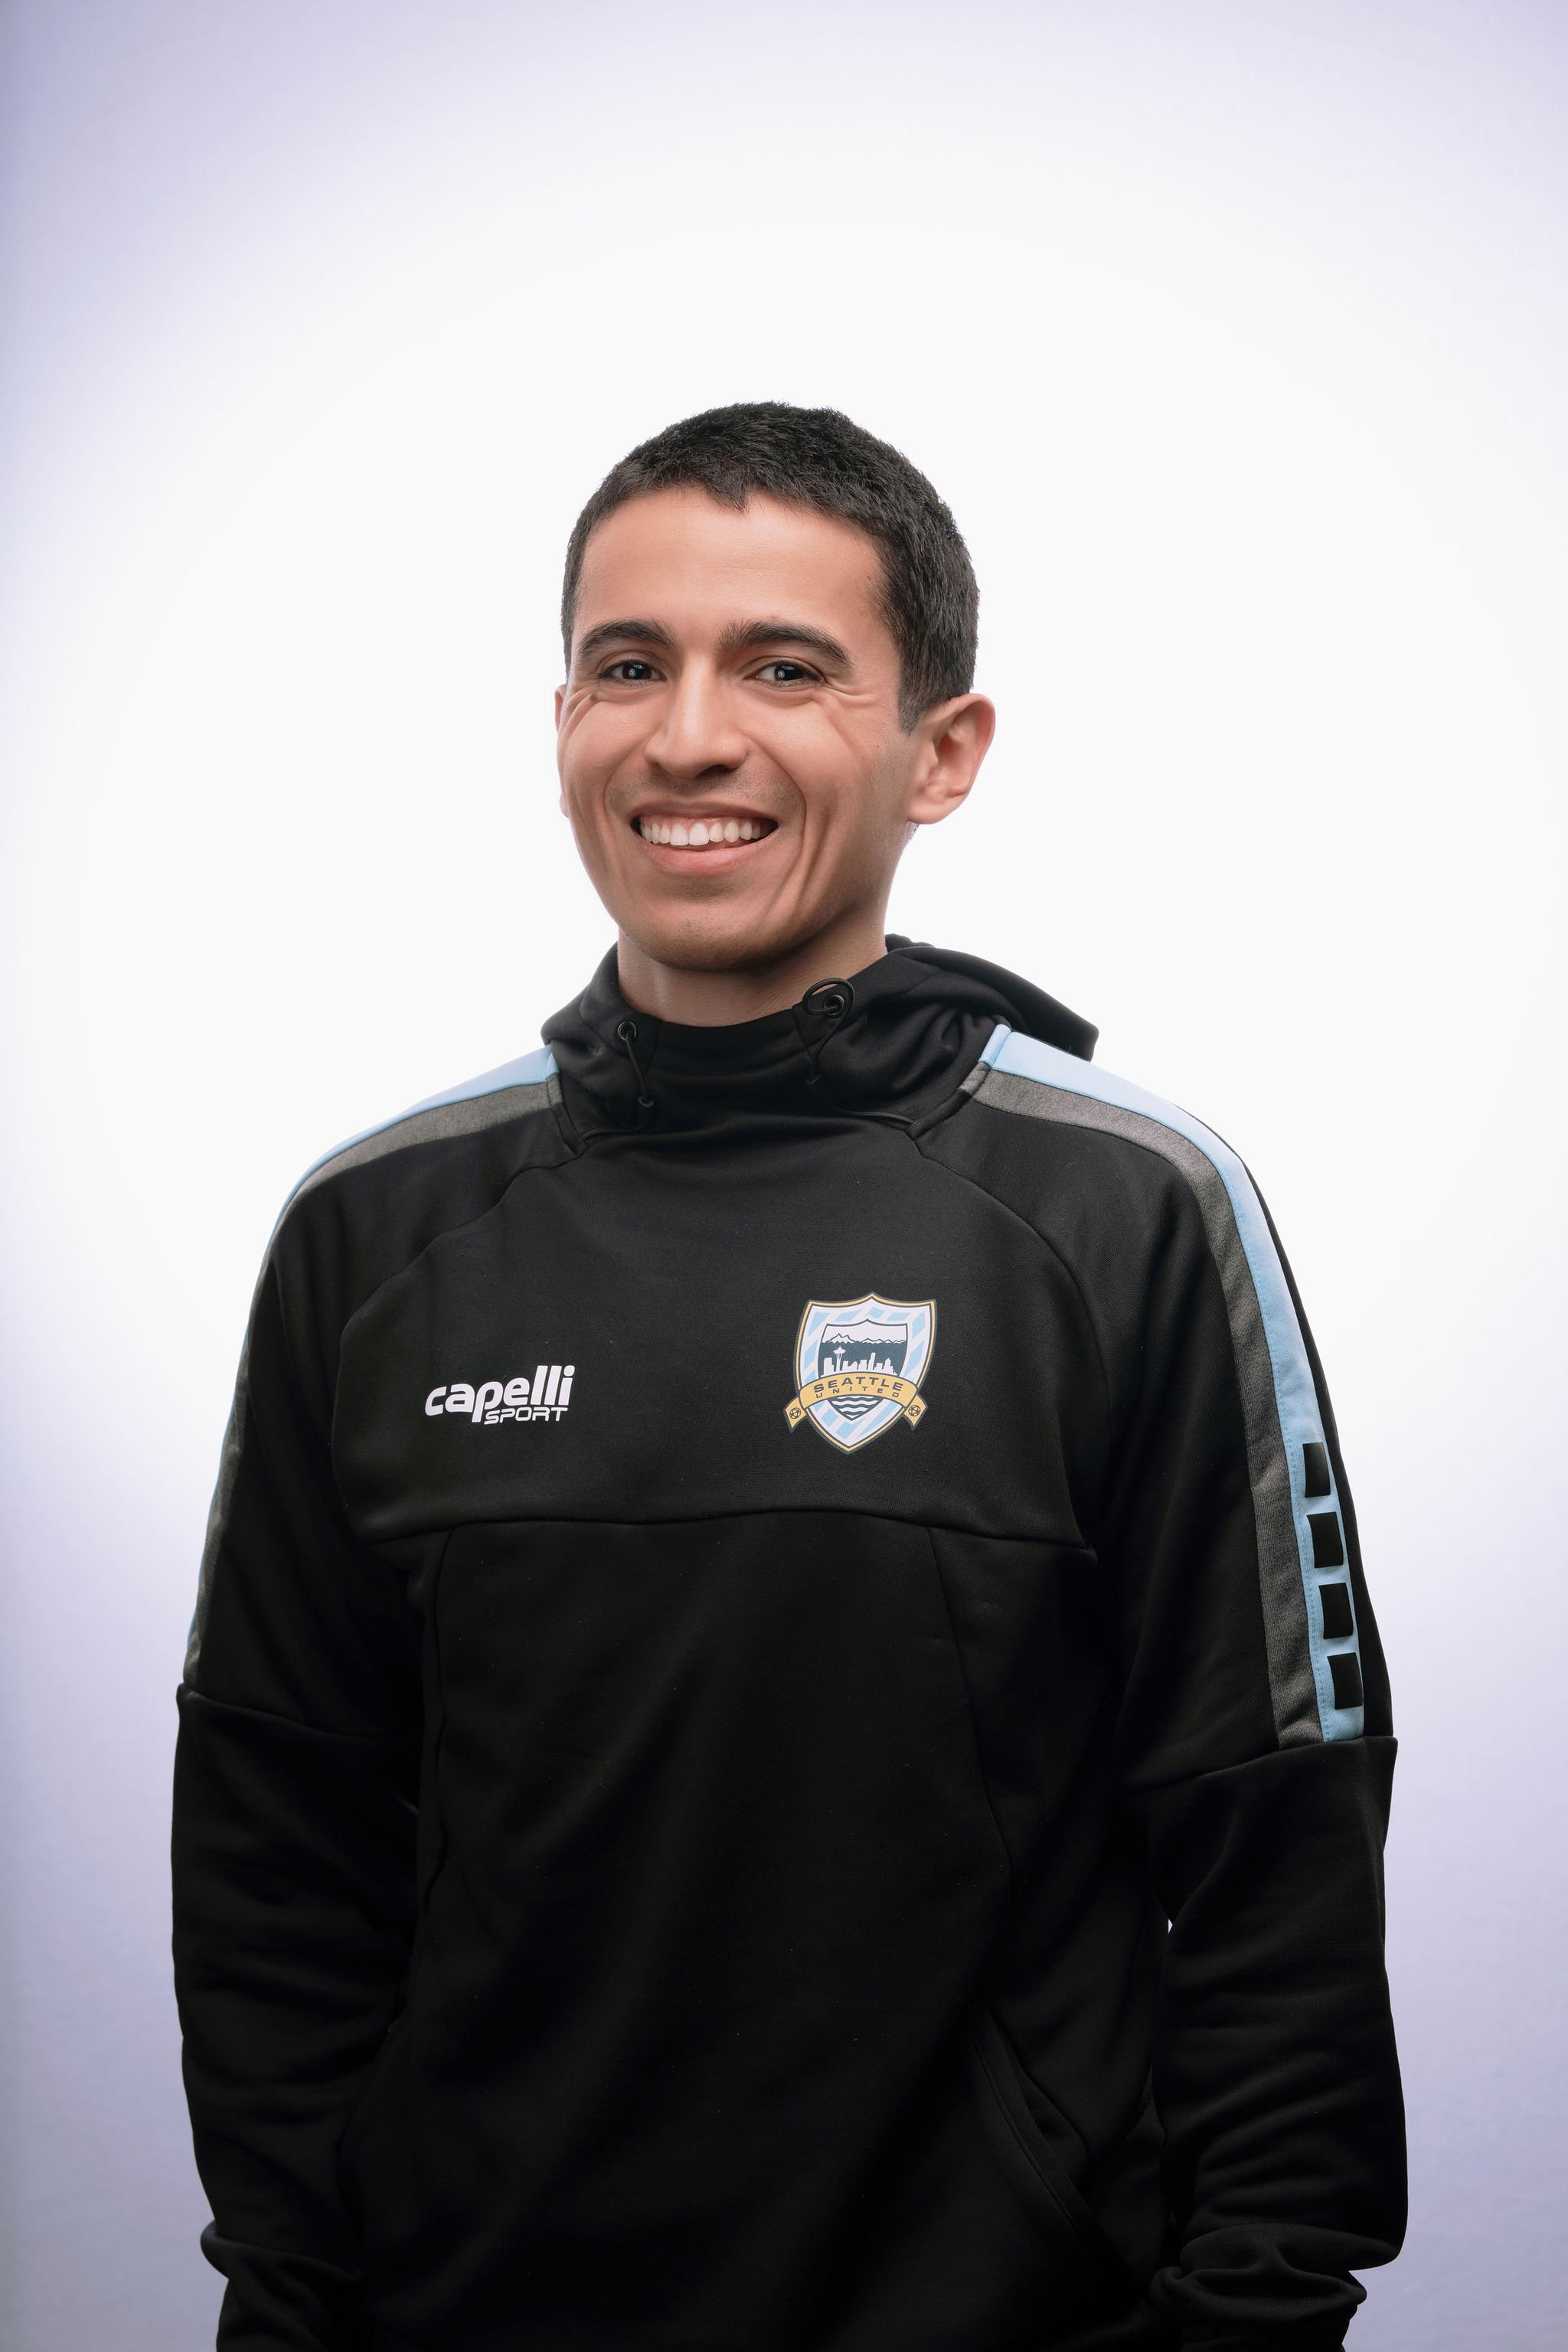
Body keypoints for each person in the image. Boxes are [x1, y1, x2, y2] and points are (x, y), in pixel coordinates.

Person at [173, 402, 1405, 2352]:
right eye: (626, 665)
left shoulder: (1125, 1210)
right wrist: (296, 2300)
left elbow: (1273, 1831)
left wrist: (1251, 2315)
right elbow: (276, 1835)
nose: (685, 736)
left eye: (785, 667)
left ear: (943, 752)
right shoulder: (377, 1232)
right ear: (561, 720)